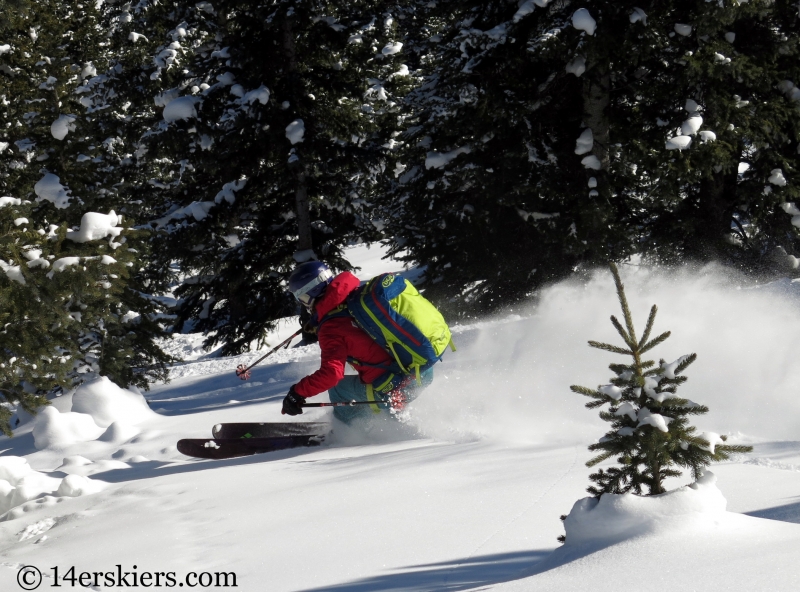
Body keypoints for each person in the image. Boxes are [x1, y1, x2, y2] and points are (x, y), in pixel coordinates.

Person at [281, 261, 434, 425]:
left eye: (302, 297)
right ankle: (379, 421)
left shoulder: (331, 327)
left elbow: (332, 374)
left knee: (338, 390)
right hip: (422, 367)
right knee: (364, 381)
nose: (304, 304)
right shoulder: (355, 295)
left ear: (313, 291)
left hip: (396, 386)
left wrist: (297, 392)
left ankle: (346, 432)